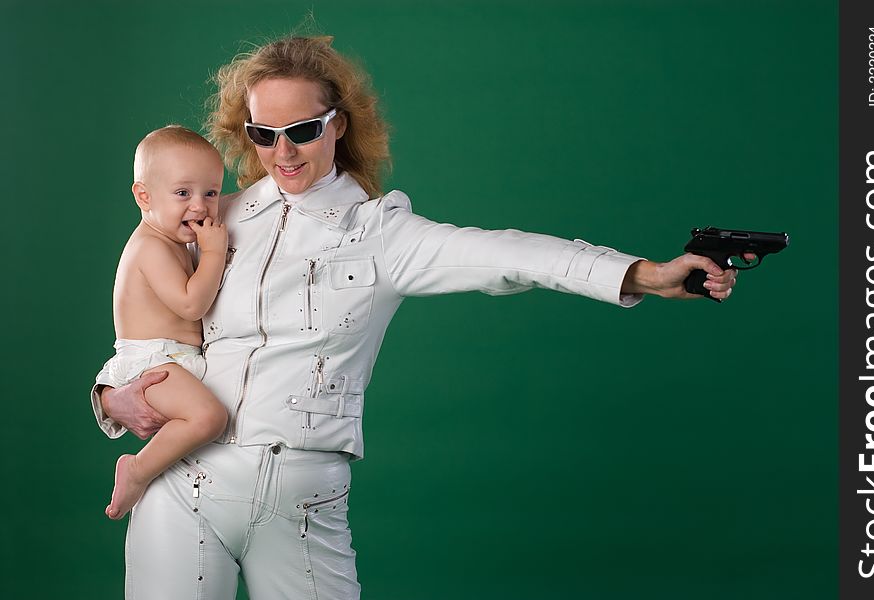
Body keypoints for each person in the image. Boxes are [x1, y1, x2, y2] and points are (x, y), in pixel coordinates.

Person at [91, 36, 742, 599]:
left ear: (338, 124)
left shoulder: (382, 235)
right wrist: (109, 396)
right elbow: (147, 319)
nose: (283, 153)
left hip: (299, 496)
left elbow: (507, 255)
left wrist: (644, 274)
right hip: (182, 484)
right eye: (264, 135)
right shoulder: (216, 218)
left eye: (302, 131)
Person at [99, 126, 229, 520]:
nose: (201, 206)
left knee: (208, 423)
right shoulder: (151, 246)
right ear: (144, 196)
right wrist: (214, 254)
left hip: (171, 359)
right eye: (183, 193)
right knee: (209, 417)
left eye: (211, 192)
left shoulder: (174, 242)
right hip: (152, 362)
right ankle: (137, 469)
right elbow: (191, 305)